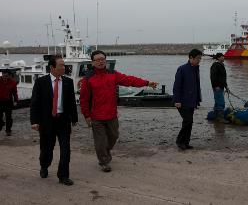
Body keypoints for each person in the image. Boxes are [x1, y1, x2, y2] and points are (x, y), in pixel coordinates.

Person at [80, 50, 158, 172]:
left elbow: (129, 80)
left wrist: (146, 83)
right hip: (96, 116)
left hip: (111, 114)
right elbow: (84, 99)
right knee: (100, 142)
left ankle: (105, 153)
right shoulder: (88, 78)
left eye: (102, 59)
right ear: (93, 62)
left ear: (105, 60)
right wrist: (87, 116)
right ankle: (104, 161)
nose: (101, 62)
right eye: (97, 60)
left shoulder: (113, 74)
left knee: (114, 137)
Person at [30, 55, 78, 186]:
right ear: (52, 67)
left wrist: (74, 118)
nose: (64, 68)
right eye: (61, 65)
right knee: (46, 149)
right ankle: (44, 166)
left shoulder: (68, 82)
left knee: (65, 150)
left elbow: (71, 102)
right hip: (46, 121)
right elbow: (35, 103)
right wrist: (34, 121)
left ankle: (63, 176)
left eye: (64, 65)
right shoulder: (41, 82)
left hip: (63, 121)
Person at [173, 49, 202, 150]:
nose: (199, 60)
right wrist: (177, 101)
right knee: (187, 120)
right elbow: (177, 86)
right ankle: (179, 141)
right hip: (182, 101)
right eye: (198, 58)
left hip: (192, 101)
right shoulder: (182, 69)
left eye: (200, 58)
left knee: (189, 122)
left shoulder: (196, 69)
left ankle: (186, 142)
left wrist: (197, 100)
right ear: (191, 58)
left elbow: (196, 86)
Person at [210, 53, 229, 122]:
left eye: (223, 56)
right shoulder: (215, 65)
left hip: (221, 86)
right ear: (218, 58)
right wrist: (215, 86)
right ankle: (220, 118)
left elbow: (223, 78)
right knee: (221, 102)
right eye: (222, 57)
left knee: (217, 102)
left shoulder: (221, 65)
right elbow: (213, 77)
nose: (223, 57)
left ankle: (215, 117)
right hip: (217, 87)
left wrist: (226, 86)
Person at [0, 69, 18, 136]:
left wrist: (16, 100)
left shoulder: (12, 82)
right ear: (2, 74)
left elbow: (15, 93)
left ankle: (8, 130)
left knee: (8, 117)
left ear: (9, 76)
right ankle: (1, 124)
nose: (5, 78)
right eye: (3, 76)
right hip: (0, 101)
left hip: (8, 102)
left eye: (6, 76)